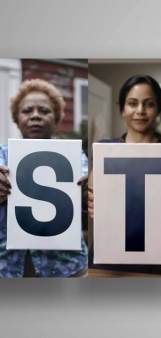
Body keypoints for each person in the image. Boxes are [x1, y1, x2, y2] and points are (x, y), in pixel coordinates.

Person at [87, 74, 161, 276]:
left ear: (158, 109)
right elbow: (93, 200)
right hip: (110, 261)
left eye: (149, 104)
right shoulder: (104, 150)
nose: (140, 111)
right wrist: (91, 201)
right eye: (132, 103)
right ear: (121, 108)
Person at [0, 79, 88, 277]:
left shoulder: (76, 157)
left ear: (56, 118)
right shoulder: (1, 156)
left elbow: (87, 202)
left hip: (67, 268)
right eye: (27, 111)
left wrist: (87, 192)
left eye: (44, 111)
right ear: (16, 118)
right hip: (8, 269)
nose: (36, 116)